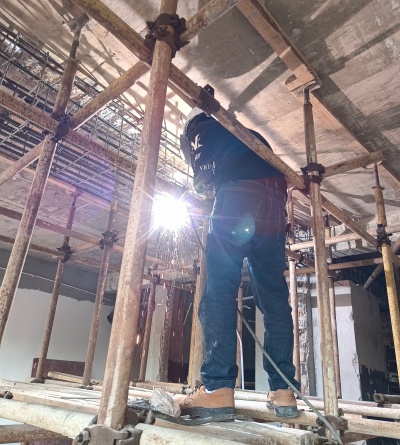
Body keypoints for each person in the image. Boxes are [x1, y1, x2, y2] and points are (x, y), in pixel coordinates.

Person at [179, 106, 300, 419]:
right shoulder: (246, 135)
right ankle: (283, 391)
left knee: (219, 288)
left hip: (238, 196)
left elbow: (203, 178)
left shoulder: (202, 130)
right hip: (275, 204)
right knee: (274, 298)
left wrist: (198, 189)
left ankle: (217, 388)